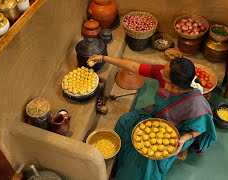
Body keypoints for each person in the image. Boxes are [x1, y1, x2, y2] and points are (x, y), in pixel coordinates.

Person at [87, 55, 217, 180]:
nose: (161, 72)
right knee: (124, 122)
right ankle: (122, 160)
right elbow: (134, 67)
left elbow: (199, 129)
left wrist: (182, 139)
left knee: (146, 159)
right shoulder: (165, 72)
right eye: (165, 68)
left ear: (175, 86)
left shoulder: (196, 102)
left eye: (165, 75)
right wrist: (104, 58)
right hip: (157, 115)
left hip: (179, 132)